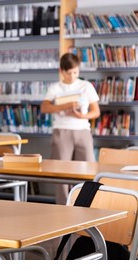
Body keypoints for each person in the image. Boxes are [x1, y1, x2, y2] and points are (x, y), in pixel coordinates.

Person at [41, 53, 100, 204]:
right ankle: (62, 206)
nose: (72, 76)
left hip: (82, 130)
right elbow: (45, 108)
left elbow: (96, 111)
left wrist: (81, 116)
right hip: (62, 131)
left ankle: (88, 205)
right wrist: (66, 106)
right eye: (69, 73)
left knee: (88, 170)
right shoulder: (55, 87)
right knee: (61, 173)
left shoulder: (86, 86)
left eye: (76, 72)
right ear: (62, 71)